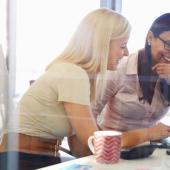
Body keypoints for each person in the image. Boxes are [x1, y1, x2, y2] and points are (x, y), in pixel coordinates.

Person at [0, 8, 131, 170]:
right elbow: (94, 141)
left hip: (35, 158)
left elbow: (80, 148)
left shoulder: (77, 74)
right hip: (24, 160)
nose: (126, 53)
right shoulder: (72, 73)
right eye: (123, 45)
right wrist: (146, 135)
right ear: (102, 44)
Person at [93, 13, 170, 149]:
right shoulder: (119, 69)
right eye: (169, 44)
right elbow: (89, 115)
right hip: (112, 151)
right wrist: (97, 150)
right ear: (150, 38)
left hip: (148, 154)